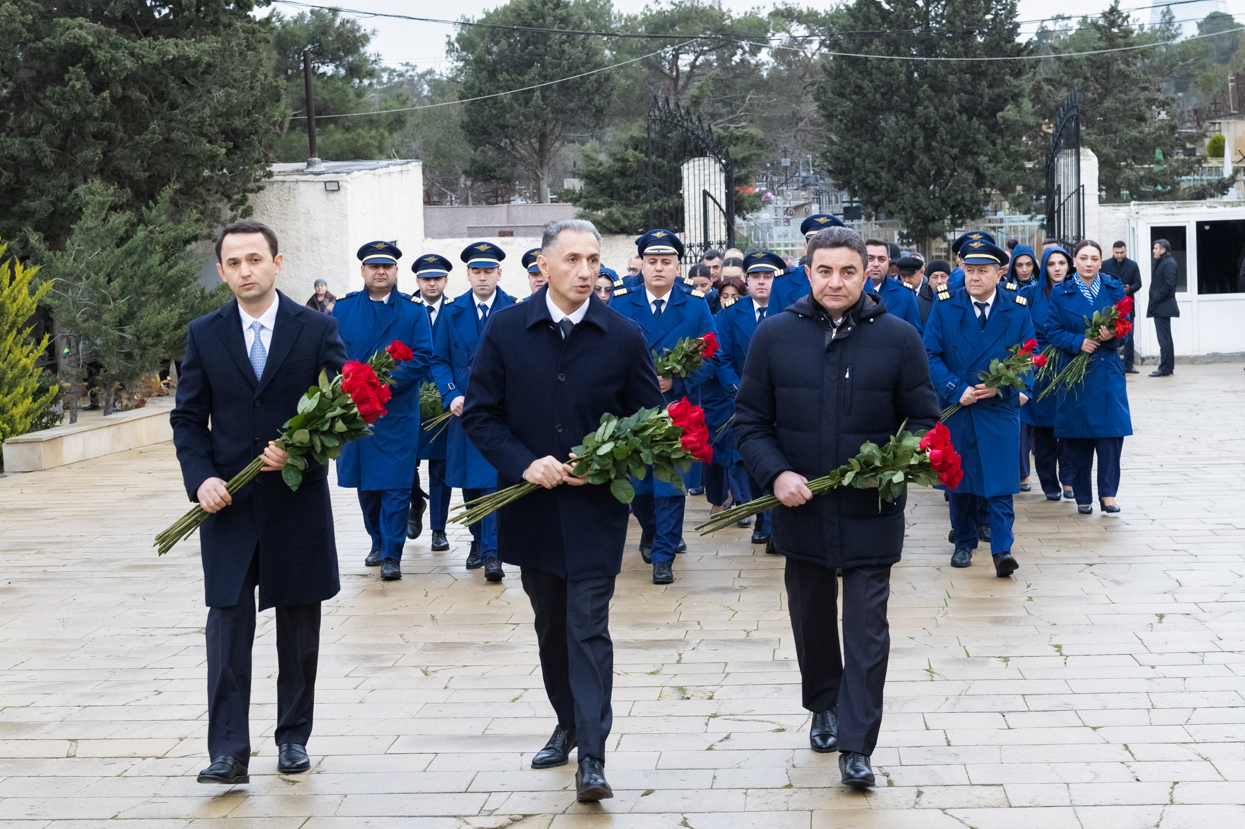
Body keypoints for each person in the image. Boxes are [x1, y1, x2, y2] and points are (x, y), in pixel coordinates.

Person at [461, 219, 664, 804]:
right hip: (530, 508)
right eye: (572, 259)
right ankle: (568, 722)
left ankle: (594, 758)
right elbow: (480, 415)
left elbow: (650, 422)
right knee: (551, 627)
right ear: (543, 266)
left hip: (595, 511)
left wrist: (607, 460)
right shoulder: (506, 331)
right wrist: (526, 463)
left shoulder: (623, 336)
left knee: (587, 626)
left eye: (593, 260)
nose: (584, 271)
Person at [734, 226, 938, 791]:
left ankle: (857, 743)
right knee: (813, 619)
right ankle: (823, 702)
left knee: (868, 628)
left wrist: (894, 462)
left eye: (848, 271)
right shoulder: (774, 336)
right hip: (801, 508)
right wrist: (777, 474)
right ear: (807, 272)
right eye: (825, 271)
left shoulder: (898, 338)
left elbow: (924, 419)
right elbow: (749, 422)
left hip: (872, 508)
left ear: (866, 274)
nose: (836, 281)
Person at [171, 220, 348, 785]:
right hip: (226, 505)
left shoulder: (317, 329)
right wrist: (200, 479)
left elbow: (344, 414)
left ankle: (293, 738)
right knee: (226, 626)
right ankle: (228, 750)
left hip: (295, 505)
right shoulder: (203, 333)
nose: (245, 271)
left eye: (255, 259)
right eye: (234, 263)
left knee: (299, 627)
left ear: (277, 262)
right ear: (222, 271)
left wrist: (299, 456)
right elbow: (187, 418)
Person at [611, 229, 719, 584]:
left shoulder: (695, 303)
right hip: (634, 412)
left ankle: (663, 556)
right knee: (640, 487)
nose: (659, 268)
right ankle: (652, 531)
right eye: (652, 262)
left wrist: (677, 381)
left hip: (678, 409)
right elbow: (606, 354)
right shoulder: (622, 302)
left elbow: (711, 357)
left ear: (677, 267)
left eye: (666, 262)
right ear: (641, 266)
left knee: (670, 485)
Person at [924, 237, 1035, 577]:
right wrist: (956, 389)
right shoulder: (945, 306)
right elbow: (929, 354)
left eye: (983, 271)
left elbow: (1027, 355)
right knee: (960, 480)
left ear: (999, 273)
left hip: (998, 408)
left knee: (1001, 482)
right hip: (960, 407)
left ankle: (1002, 550)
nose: (974, 277)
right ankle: (964, 543)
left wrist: (1014, 388)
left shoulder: (1015, 308)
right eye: (969, 270)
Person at [332, 242, 434, 581]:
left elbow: (422, 357)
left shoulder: (413, 311)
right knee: (367, 486)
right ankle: (376, 541)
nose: (380, 271)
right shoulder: (343, 310)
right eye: (373, 266)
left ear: (395, 272)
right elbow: (332, 355)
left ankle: (393, 552)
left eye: (387, 266)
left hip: (395, 413)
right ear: (362, 271)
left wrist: (382, 387)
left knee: (394, 484)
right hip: (355, 414)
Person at [430, 242, 518, 581]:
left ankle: (493, 553)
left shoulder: (513, 309)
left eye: (489, 271)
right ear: (467, 274)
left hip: (499, 412)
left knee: (493, 481)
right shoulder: (451, 313)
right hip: (463, 412)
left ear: (499, 273)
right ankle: (479, 541)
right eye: (476, 271)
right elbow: (438, 359)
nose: (483, 277)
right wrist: (450, 394)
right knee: (468, 483)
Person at [1045, 240, 1133, 514]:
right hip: (1075, 375)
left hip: (1107, 371)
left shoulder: (1113, 287)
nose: (1088, 263)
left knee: (1110, 437)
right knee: (1078, 438)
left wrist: (1115, 333)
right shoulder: (1062, 292)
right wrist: (1077, 341)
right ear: (1075, 261)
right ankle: (1083, 496)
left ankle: (1108, 495)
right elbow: (1051, 330)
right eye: (1083, 258)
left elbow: (1127, 328)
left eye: (1094, 258)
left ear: (1100, 261)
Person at [713, 250, 784, 548]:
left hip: (785, 401)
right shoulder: (731, 313)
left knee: (781, 460)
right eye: (755, 277)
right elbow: (722, 358)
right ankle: (761, 517)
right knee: (753, 460)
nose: (761, 283)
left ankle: (774, 525)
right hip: (745, 400)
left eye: (767, 277)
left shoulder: (789, 311)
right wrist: (740, 390)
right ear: (746, 280)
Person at [1020, 246, 1073, 501]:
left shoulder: (1077, 293)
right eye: (1052, 264)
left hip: (1071, 366)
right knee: (1044, 432)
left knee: (1071, 429)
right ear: (1045, 268)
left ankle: (1070, 480)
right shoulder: (1030, 293)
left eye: (1062, 263)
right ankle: (1049, 482)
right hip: (1041, 368)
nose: (1057, 268)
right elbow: (1021, 329)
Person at [411, 254, 454, 551]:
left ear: (445, 281)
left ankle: (439, 529)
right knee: (404, 463)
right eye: (426, 278)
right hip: (408, 398)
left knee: (440, 467)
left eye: (437, 278)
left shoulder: (455, 311)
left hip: (441, 400)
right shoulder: (405, 309)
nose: (432, 283)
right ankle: (415, 504)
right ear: (417, 281)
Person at [771, 214, 845, 312]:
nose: (822, 250)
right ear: (805, 247)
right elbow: (772, 324)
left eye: (829, 245)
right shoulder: (783, 283)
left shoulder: (857, 281)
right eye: (816, 244)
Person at [864, 239, 923, 333]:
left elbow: (915, 335)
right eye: (870, 258)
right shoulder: (851, 291)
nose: (876, 264)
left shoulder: (904, 294)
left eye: (881, 259)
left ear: (888, 262)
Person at [1100, 241, 1142, 374]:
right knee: (1107, 333)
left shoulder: (1132, 265)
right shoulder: (1105, 264)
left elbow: (1138, 283)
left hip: (1127, 305)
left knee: (1128, 333)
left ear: (1126, 251)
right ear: (1112, 251)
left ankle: (1128, 364)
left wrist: (1129, 288)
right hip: (1108, 305)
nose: (1119, 255)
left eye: (1122, 252)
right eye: (1117, 252)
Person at [1149, 239, 1178, 378]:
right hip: (1161, 305)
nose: (1153, 250)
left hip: (1163, 305)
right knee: (1166, 338)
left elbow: (1168, 284)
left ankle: (1165, 368)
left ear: (1163, 250)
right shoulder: (1164, 262)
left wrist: (1156, 299)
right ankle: (1167, 367)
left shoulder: (1168, 263)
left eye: (1156, 248)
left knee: (1164, 339)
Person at [914, 258, 950, 325]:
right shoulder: (918, 303)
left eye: (943, 276)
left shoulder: (957, 300)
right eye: (935, 277)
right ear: (929, 281)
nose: (939, 281)